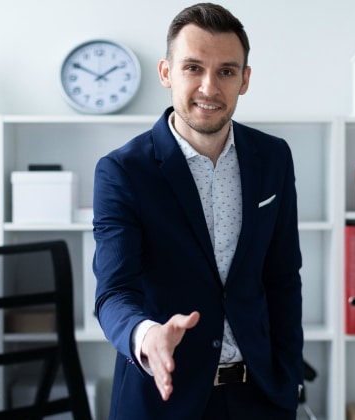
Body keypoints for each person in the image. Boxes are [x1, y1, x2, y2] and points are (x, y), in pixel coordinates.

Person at [92, 3, 303, 419]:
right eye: (193, 68)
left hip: (259, 395)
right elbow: (114, 292)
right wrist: (147, 335)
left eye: (226, 71)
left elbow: (282, 278)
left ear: (244, 80)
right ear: (166, 72)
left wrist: (289, 376)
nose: (209, 87)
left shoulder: (273, 157)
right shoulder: (122, 171)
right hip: (163, 398)